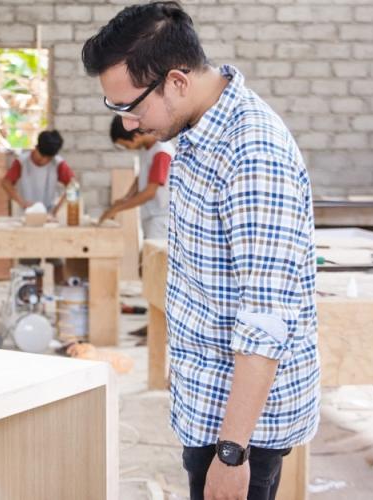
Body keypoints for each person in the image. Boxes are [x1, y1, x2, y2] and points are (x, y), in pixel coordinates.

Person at [83, 3, 319, 500]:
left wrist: (232, 454)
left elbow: (266, 322)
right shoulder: (194, 131)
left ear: (177, 81)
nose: (128, 125)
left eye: (131, 107)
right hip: (208, 401)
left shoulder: (253, 154)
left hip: (242, 432)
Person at [99, 116, 175, 240]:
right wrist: (125, 198)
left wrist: (118, 208)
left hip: (161, 219)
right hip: (150, 215)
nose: (128, 149)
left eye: (126, 145)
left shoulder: (161, 153)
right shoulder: (146, 149)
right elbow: (142, 176)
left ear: (136, 136)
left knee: (152, 257)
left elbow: (149, 192)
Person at [1, 130, 75, 216]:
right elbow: (6, 183)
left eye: (48, 159)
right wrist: (22, 202)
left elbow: (73, 185)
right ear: (36, 148)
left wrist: (57, 209)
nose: (44, 161)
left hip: (48, 214)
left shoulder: (58, 163)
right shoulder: (22, 161)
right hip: (25, 214)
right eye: (42, 156)